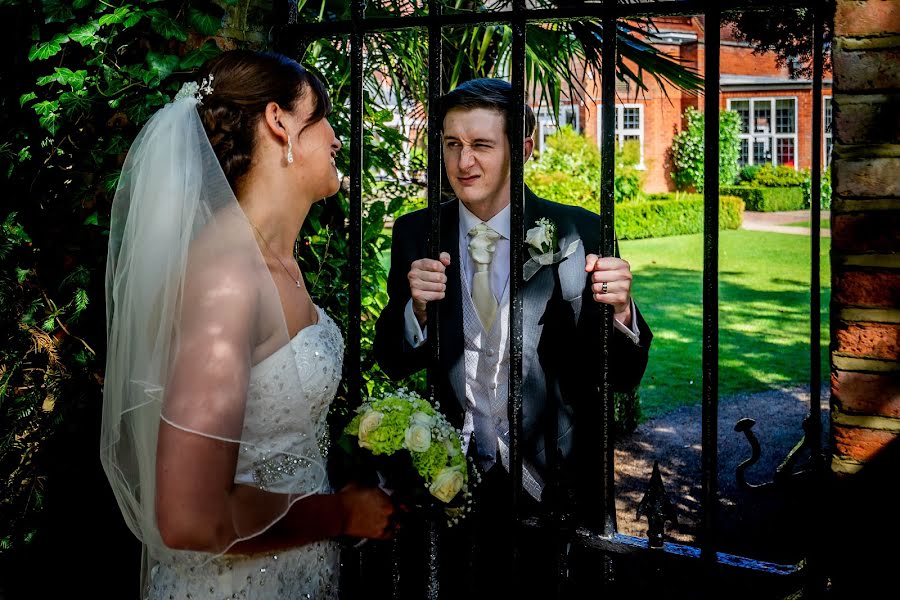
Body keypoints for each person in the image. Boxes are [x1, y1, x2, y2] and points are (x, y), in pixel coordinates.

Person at [101, 50, 396, 599]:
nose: (335, 139)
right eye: (322, 116)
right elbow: (189, 517)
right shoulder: (227, 280)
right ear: (279, 121)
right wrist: (337, 515)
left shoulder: (280, 261)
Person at [373, 78, 653, 596]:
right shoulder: (416, 233)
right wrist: (415, 310)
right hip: (451, 482)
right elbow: (391, 358)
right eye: (452, 144)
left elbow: (622, 377)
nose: (463, 163)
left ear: (522, 149)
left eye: (481, 145)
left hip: (555, 483)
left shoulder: (578, 234)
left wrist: (622, 311)